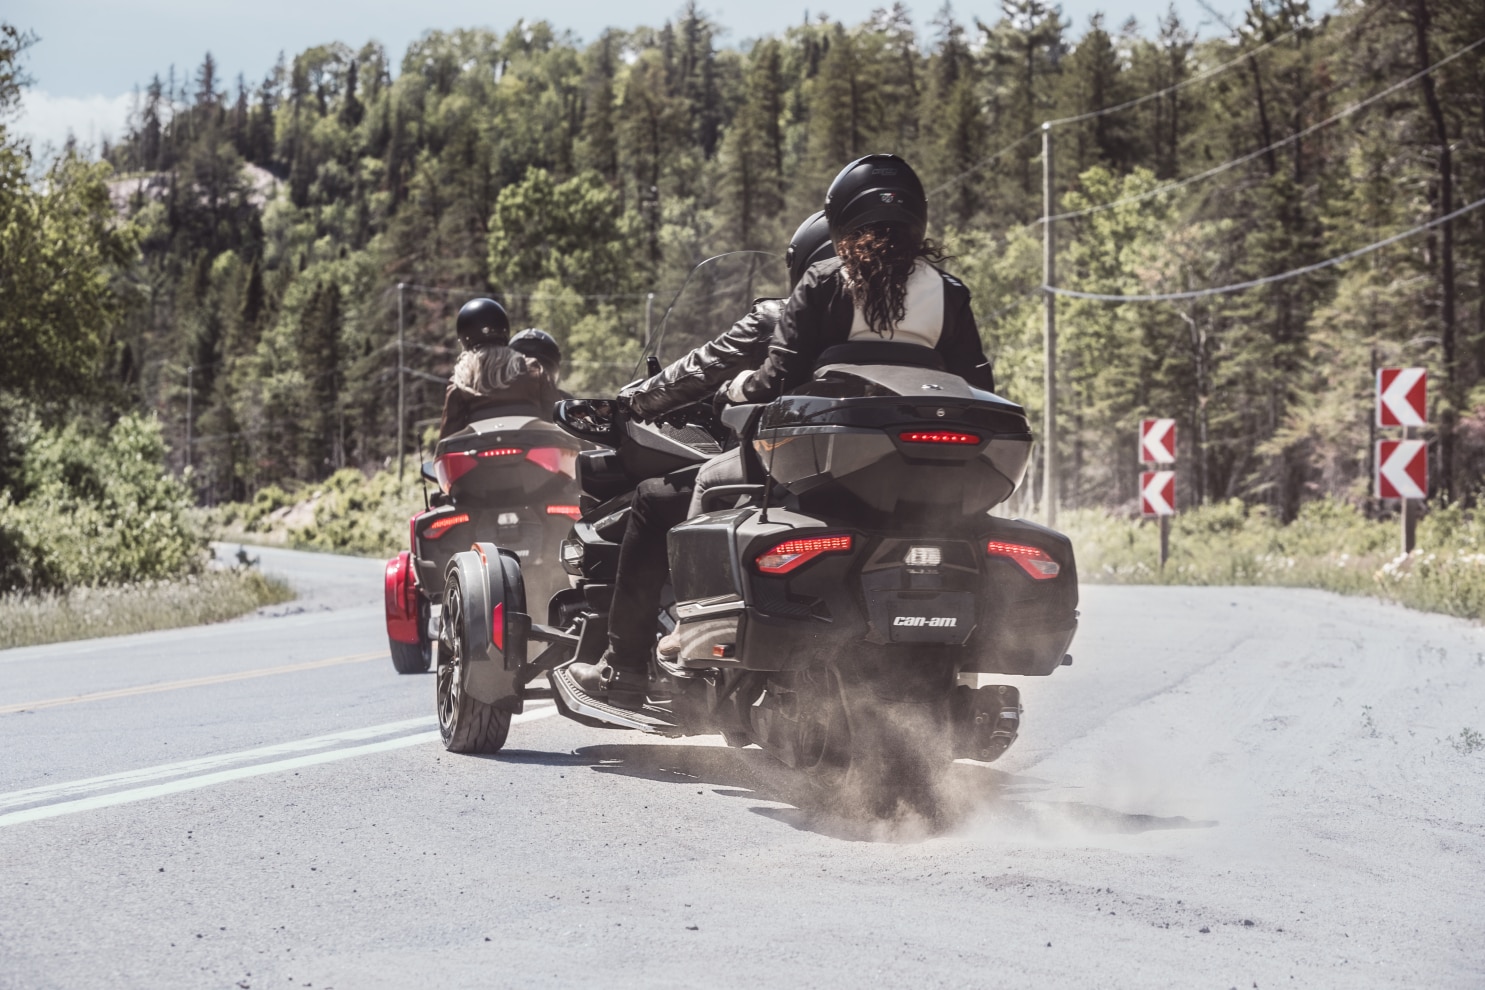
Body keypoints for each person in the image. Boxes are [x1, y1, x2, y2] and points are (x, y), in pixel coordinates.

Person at [566, 213, 837, 709]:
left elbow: (703, 367)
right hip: (873, 481)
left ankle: (624, 668)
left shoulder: (785, 315)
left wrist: (635, 402)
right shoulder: (903, 317)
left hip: (788, 471)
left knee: (653, 499)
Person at [689, 153, 995, 514]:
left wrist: (735, 388)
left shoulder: (823, 279)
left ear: (840, 217)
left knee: (708, 478)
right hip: (929, 466)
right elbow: (978, 387)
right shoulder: (950, 291)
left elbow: (781, 377)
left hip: (821, 462)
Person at [438, 299, 564, 439]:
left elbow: (449, 434)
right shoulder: (532, 368)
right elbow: (556, 418)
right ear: (505, 329)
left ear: (463, 338)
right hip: (532, 448)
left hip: (476, 455)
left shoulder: (460, 379)